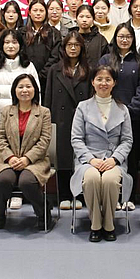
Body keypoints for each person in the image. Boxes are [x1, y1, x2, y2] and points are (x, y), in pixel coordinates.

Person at [70, 65, 134, 242]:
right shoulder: (82, 107)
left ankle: (109, 224)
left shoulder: (123, 109)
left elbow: (127, 140)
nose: (103, 83)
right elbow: (76, 139)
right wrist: (91, 160)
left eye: (107, 79)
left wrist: (115, 159)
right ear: (92, 82)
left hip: (113, 160)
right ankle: (96, 225)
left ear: (114, 83)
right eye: (99, 79)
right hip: (87, 161)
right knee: (91, 178)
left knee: (109, 180)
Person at [0, 74, 53, 231]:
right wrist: (10, 157)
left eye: (28, 86)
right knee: (3, 180)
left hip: (35, 161)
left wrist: (27, 159)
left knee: (27, 182)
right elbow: (0, 137)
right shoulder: (6, 111)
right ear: (14, 90)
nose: (24, 90)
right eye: (20, 87)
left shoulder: (44, 112)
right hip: (8, 160)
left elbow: (44, 140)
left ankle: (43, 212)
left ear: (35, 90)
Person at [98, 24, 140, 210]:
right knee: (109, 156)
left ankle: (129, 197)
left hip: (132, 119)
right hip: (107, 117)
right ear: (115, 38)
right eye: (121, 36)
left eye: (128, 36)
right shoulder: (106, 59)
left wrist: (128, 111)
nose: (124, 40)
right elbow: (100, 85)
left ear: (133, 39)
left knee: (131, 158)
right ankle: (110, 197)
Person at [45, 31, 93, 211]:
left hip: (83, 119)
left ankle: (79, 195)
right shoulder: (54, 70)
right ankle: (65, 195)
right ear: (64, 48)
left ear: (82, 48)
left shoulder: (89, 70)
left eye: (76, 45)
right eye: (69, 45)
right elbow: (48, 98)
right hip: (60, 119)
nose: (73, 48)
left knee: (80, 157)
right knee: (63, 158)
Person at [0, 29, 39, 164]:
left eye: (14, 42)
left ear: (20, 45)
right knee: (2, 162)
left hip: (23, 123)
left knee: (21, 161)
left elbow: (36, 95)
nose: (10, 46)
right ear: (1, 45)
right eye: (6, 42)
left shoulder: (28, 66)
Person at [21, 0, 61, 95]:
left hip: (47, 80)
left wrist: (41, 75)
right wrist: (29, 75)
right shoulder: (21, 32)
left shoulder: (54, 33)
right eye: (35, 10)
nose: (38, 13)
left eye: (41, 11)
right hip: (24, 79)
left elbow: (55, 57)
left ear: (46, 13)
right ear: (29, 13)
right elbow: (20, 54)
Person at [75, 4, 109, 69]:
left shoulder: (101, 40)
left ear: (93, 19)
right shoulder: (71, 38)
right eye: (81, 16)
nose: (84, 20)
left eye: (88, 17)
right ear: (76, 18)